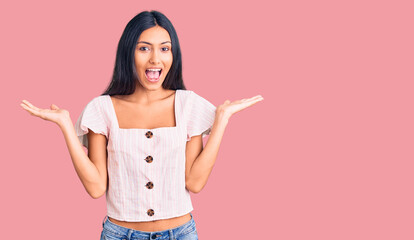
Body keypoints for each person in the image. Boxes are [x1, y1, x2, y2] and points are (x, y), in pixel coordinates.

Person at [20, 10, 263, 240]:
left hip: (180, 233)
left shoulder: (188, 104)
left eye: (164, 49)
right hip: (120, 233)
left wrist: (221, 121)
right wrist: (65, 125)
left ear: (173, 54)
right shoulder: (102, 109)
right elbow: (96, 188)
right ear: (128, 53)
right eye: (144, 48)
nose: (155, 58)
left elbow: (195, 182)